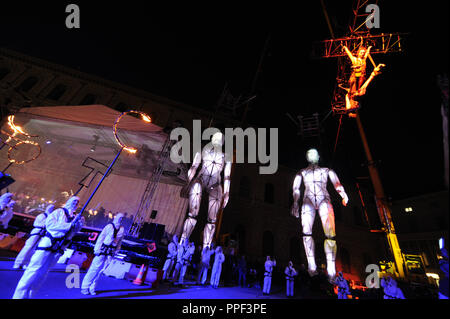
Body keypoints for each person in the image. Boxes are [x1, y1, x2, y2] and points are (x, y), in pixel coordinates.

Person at [291, 148, 348, 280]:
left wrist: (343, 194)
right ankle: (312, 265)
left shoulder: (326, 171)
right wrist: (295, 202)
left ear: (318, 157)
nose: (312, 155)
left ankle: (331, 267)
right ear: (307, 157)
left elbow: (337, 183)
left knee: (330, 234)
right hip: (307, 200)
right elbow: (296, 188)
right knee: (306, 232)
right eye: (309, 154)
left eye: (314, 153)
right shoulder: (302, 172)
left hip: (324, 199)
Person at [12, 196, 83, 299]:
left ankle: (30, 296)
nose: (75, 203)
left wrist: (77, 224)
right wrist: (69, 225)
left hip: (59, 248)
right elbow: (50, 225)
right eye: (74, 201)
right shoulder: (59, 212)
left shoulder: (76, 217)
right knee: (33, 270)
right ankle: (18, 296)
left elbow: (73, 232)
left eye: (77, 202)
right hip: (48, 243)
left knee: (43, 274)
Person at [179, 131, 232, 249]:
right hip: (201, 180)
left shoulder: (226, 156)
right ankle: (182, 242)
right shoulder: (203, 150)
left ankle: (205, 249)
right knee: (192, 214)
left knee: (212, 219)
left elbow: (227, 176)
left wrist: (227, 193)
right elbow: (194, 166)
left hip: (216, 183)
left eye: (220, 140)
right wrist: (187, 182)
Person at [81, 213, 125, 295]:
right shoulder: (109, 226)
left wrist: (117, 250)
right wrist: (97, 249)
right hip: (103, 249)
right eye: (120, 218)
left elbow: (120, 241)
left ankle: (92, 287)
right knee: (94, 268)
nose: (121, 219)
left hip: (111, 251)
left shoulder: (122, 229)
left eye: (122, 218)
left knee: (101, 270)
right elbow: (101, 237)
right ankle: (85, 286)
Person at [13, 204, 55, 269]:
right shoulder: (42, 215)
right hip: (36, 232)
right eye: (51, 208)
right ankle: (18, 263)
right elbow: (36, 223)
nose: (51, 209)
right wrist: (45, 225)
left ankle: (26, 263)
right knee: (27, 247)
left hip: (43, 234)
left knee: (34, 249)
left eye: (53, 208)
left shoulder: (52, 218)